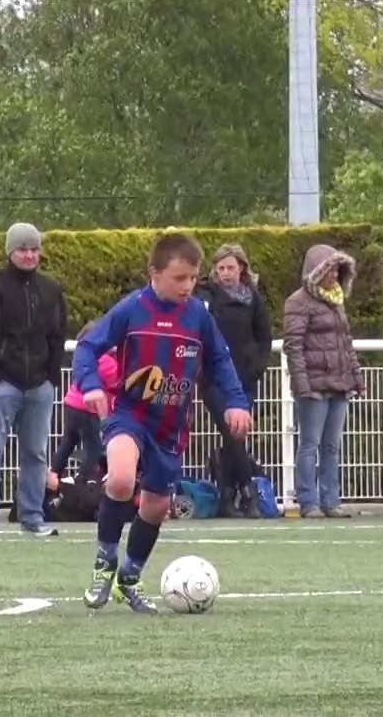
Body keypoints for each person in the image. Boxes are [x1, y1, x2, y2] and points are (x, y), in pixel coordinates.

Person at [74, 232, 251, 613]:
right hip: (130, 414)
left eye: (192, 277)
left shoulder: (199, 315)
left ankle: (129, 578)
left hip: (170, 425)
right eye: (179, 278)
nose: (187, 285)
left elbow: (220, 361)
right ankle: (104, 566)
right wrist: (90, 385)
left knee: (156, 506)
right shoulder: (132, 309)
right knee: (120, 479)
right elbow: (88, 346)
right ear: (154, 273)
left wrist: (236, 402)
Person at [0, 222, 68, 538]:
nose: (29, 255)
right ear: (10, 251)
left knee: (36, 455)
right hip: (2, 383)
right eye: (23, 249)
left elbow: (57, 333)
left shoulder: (51, 290)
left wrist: (51, 375)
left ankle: (33, 516)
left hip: (39, 384)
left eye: (34, 249)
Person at [282, 244, 363, 518]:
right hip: (314, 387)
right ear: (316, 270)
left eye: (337, 269)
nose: (334, 274)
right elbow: (293, 346)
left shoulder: (337, 301)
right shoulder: (298, 302)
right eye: (330, 268)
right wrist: (304, 386)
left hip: (338, 384)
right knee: (310, 445)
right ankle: (309, 502)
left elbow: (346, 343)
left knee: (332, 446)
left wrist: (356, 377)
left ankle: (330, 501)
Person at [195, 243, 272, 510]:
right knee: (232, 430)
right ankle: (248, 491)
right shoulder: (206, 296)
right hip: (214, 378)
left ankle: (226, 493)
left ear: (241, 268)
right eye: (221, 268)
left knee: (236, 435)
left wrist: (256, 367)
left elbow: (264, 336)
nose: (226, 273)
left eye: (230, 267)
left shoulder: (253, 298)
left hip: (245, 378)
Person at [50, 321, 119, 486]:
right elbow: (117, 381)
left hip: (71, 404)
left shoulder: (83, 359)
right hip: (88, 409)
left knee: (67, 442)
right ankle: (83, 482)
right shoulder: (106, 362)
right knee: (94, 448)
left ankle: (53, 474)